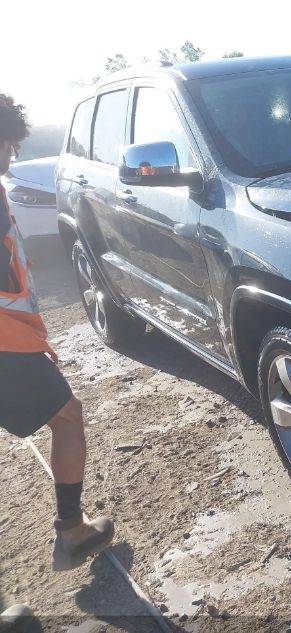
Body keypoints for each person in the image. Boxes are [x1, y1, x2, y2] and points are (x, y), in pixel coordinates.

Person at [0, 93, 114, 571]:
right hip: (6, 342)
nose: (11, 159)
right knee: (67, 417)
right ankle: (71, 531)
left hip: (13, 336)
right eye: (9, 146)